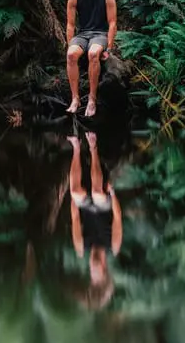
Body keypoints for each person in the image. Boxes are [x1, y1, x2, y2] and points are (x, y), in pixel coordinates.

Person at [68, 130, 122, 310]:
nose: (93, 265)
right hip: (104, 206)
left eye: (92, 270)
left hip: (86, 208)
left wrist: (74, 198)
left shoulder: (80, 247)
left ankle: (76, 147)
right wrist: (112, 193)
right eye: (97, 267)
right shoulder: (113, 246)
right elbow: (117, 217)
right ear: (105, 267)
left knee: (76, 192)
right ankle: (92, 147)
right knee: (98, 194)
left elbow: (75, 217)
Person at [66, 0, 117, 117]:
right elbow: (70, 24)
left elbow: (112, 23)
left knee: (93, 54)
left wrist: (109, 47)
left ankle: (92, 99)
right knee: (71, 55)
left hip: (99, 34)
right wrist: (70, 44)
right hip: (82, 35)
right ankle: (75, 99)